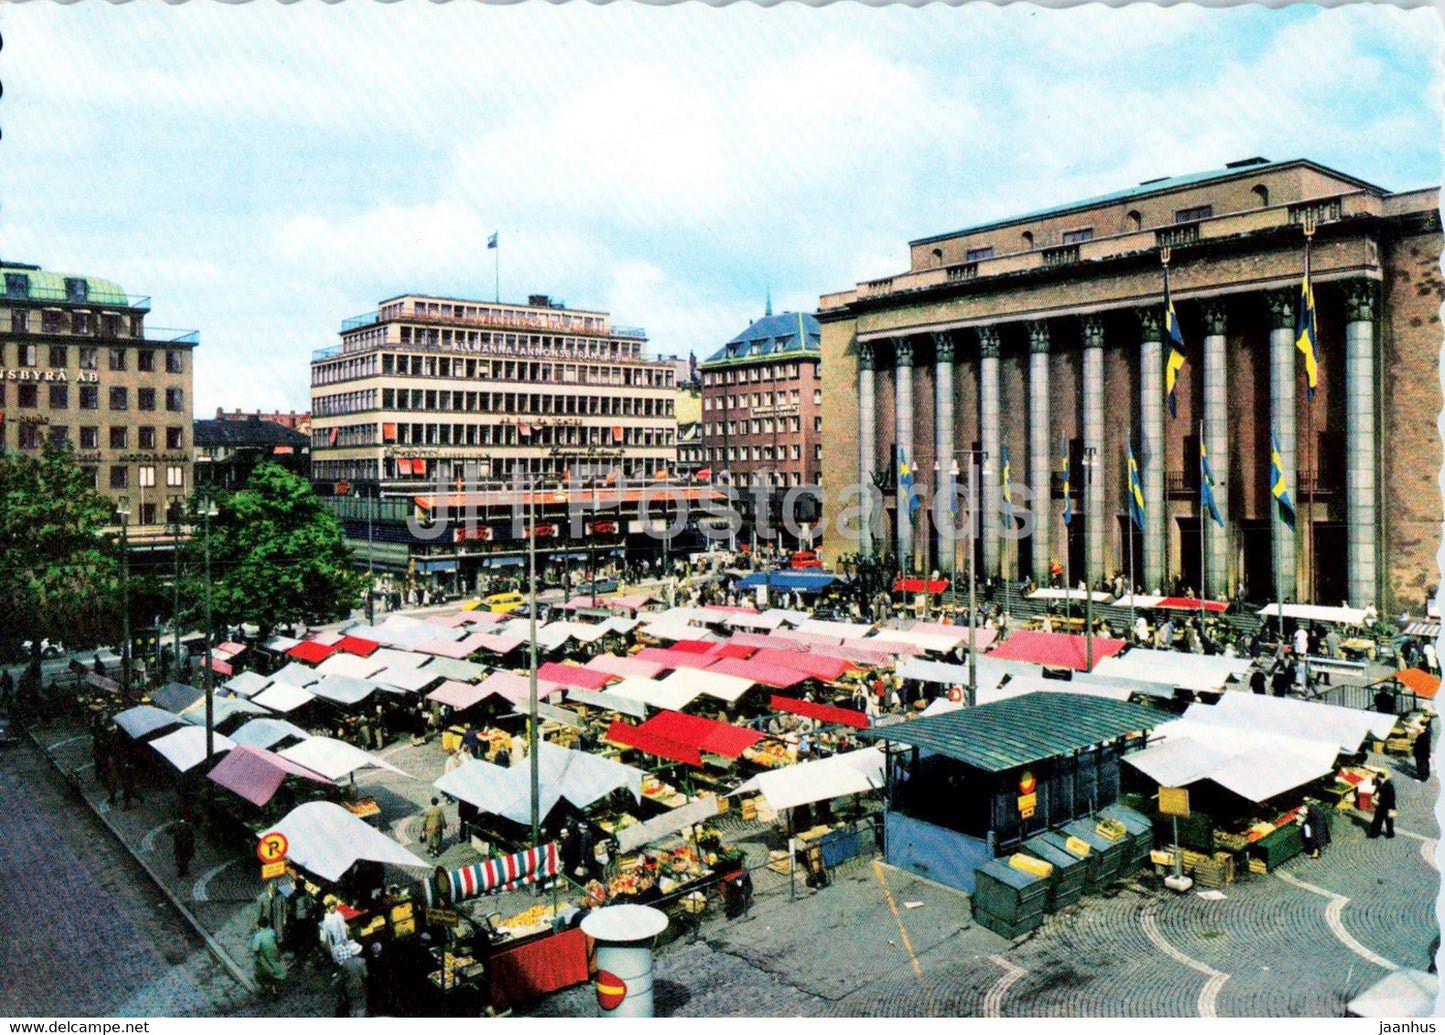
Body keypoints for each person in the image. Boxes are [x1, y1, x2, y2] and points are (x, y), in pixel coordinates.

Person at [252, 916, 286, 999]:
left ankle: (263, 990)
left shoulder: (258, 936)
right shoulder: (272, 932)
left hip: (264, 958)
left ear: (259, 925)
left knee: (258, 972)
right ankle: (274, 990)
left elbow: (256, 949)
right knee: (272, 973)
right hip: (273, 957)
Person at [1368, 772, 1397, 839]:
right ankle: (1390, 834)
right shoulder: (1382, 783)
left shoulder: (1388, 786)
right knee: (1387, 821)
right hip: (1384, 805)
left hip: (1385, 806)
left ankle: (1375, 834)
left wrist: (1378, 799)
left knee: (1379, 820)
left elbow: (1391, 798)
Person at [1415, 714, 1433, 781]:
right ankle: (1424, 775)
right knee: (1423, 762)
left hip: (1422, 750)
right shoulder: (1426, 727)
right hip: (1423, 749)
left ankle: (1422, 777)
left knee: (1422, 763)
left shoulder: (1426, 731)